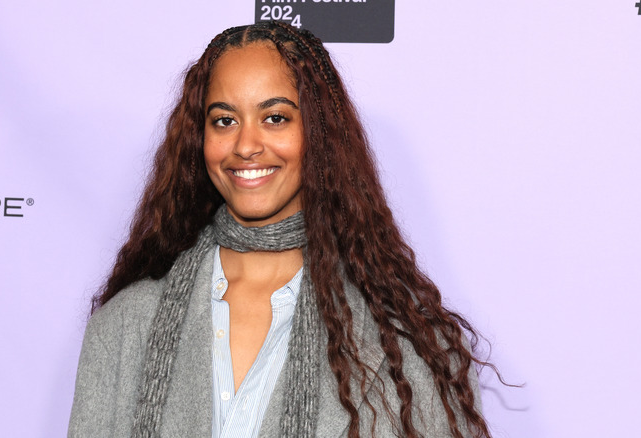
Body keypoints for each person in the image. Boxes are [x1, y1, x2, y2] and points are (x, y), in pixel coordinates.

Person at [69, 22, 494, 438]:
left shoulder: (409, 344)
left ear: (319, 134)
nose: (246, 145)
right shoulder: (124, 324)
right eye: (223, 120)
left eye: (274, 118)